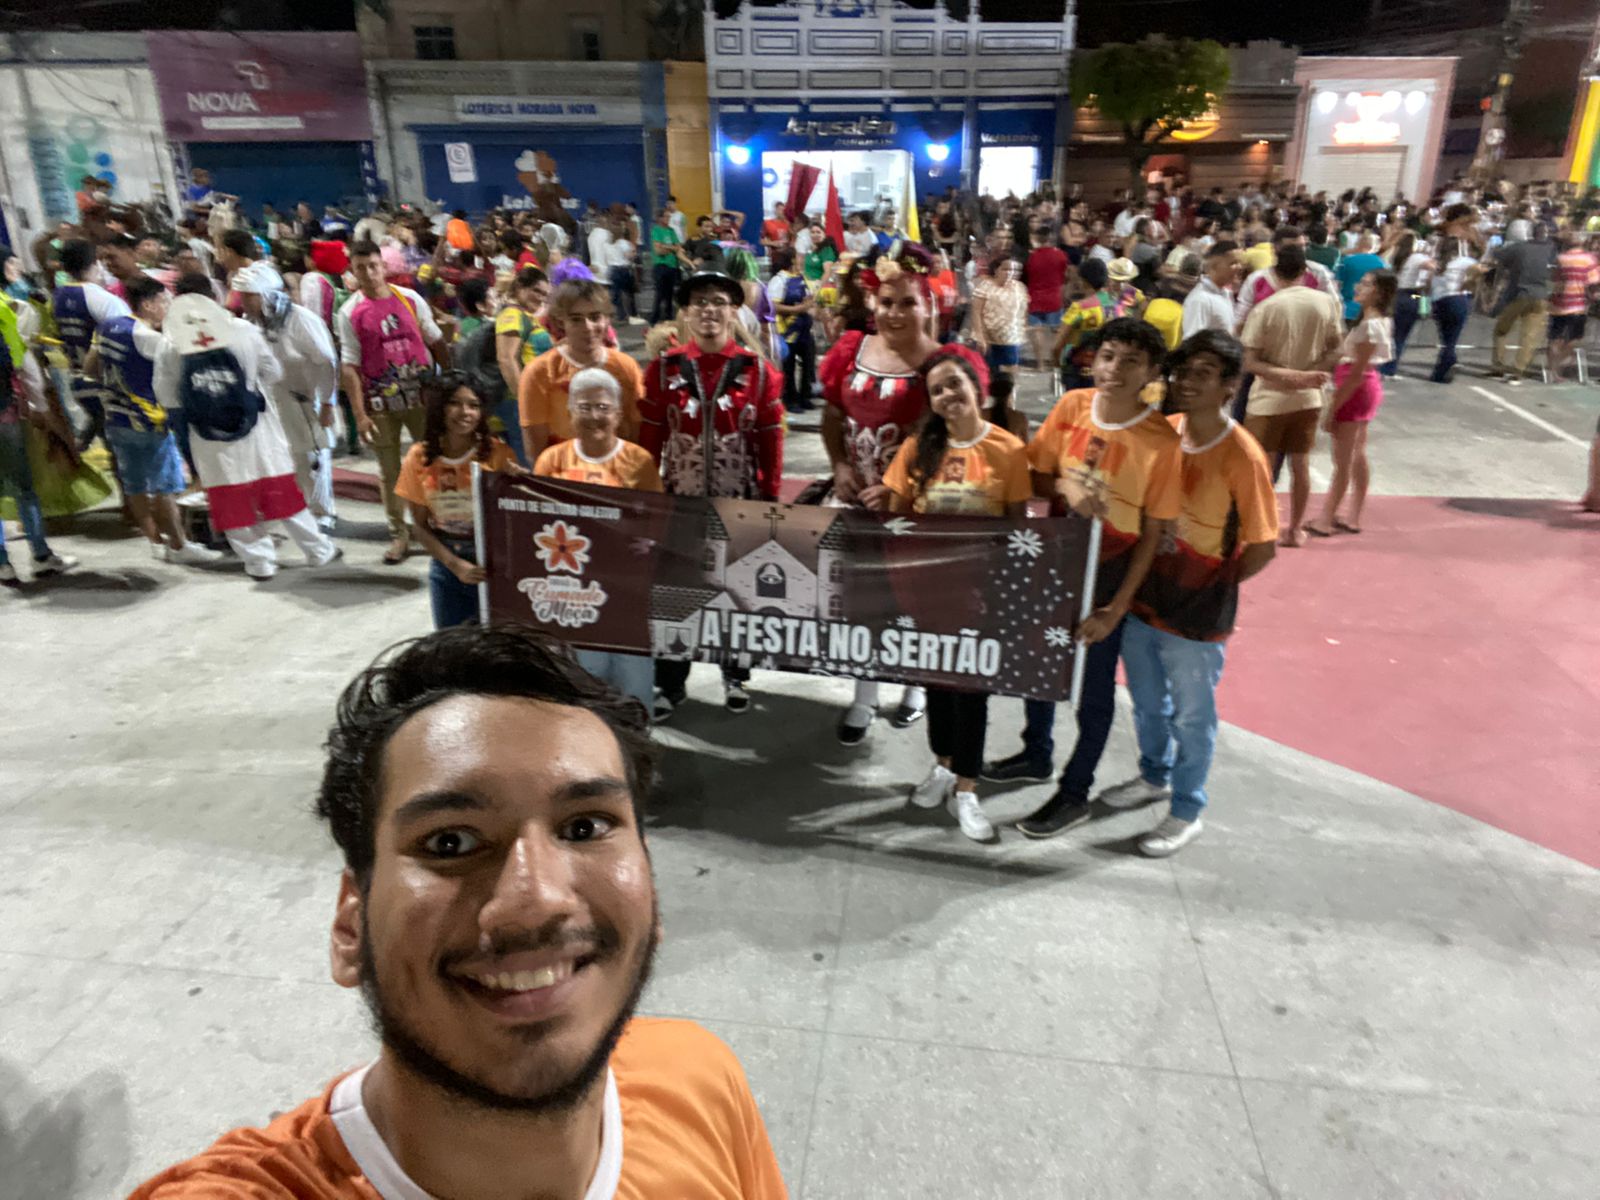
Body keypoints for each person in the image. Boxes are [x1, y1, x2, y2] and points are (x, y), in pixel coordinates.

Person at [129, 623, 787, 1199]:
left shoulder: (698, 1077)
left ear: (652, 892)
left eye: (585, 827)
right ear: (350, 928)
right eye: (450, 843)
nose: (536, 900)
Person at [985, 318, 1182, 840]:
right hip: (1057, 557)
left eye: (1132, 361)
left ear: (1152, 373)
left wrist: (1115, 609)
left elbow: (1153, 533)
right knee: (1039, 662)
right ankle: (1036, 753)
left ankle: (1075, 792)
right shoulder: (1073, 406)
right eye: (1109, 356)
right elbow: (1036, 474)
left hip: (1110, 571)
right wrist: (1067, 490)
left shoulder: (1160, 440)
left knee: (1093, 691)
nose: (1116, 369)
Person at [1105, 329, 1278, 857]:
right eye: (1182, 371)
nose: (1186, 382)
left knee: (1192, 715)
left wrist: (1214, 581)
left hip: (1198, 613)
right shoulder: (1165, 432)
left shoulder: (1242, 455)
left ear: (1230, 386)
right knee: (1145, 702)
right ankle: (1153, 775)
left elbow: (1263, 545)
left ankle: (1186, 810)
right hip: (1143, 598)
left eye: (1203, 374)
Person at [885, 345, 1031, 843]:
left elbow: (1016, 528)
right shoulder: (917, 448)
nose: (948, 395)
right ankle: (943, 765)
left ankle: (967, 788)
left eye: (955, 383)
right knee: (936, 687)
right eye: (937, 390)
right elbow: (896, 518)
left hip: (979, 598)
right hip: (926, 595)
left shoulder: (1008, 450)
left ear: (977, 386)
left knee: (971, 694)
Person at [639, 271, 785, 719]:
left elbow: (770, 440)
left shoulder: (759, 371)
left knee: (735, 590)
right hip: (678, 499)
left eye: (718, 301)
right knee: (674, 591)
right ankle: (670, 683)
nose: (709, 310)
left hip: (738, 500)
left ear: (733, 310)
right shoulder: (663, 369)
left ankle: (735, 675)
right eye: (699, 301)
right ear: (685, 312)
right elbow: (650, 438)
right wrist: (646, 495)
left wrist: (770, 498)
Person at [819, 246, 943, 742]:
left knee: (913, 599)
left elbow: (945, 441)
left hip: (913, 507)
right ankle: (864, 696)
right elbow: (832, 416)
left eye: (908, 303)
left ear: (927, 304)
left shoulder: (943, 363)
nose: (895, 313)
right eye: (887, 302)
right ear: (873, 302)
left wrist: (900, 490)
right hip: (855, 499)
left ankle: (914, 688)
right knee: (861, 599)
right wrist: (839, 464)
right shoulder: (851, 349)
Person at [156, 281, 342, 580]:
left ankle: (259, 562)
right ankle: (317, 550)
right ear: (215, 298)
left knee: (231, 499)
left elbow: (167, 396)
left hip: (208, 438)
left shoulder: (170, 343)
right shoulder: (243, 331)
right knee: (280, 491)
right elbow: (274, 372)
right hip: (257, 429)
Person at [534, 367, 663, 705]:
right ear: (570, 413)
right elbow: (535, 522)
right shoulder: (551, 461)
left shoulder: (639, 461)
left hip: (626, 591)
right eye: (585, 407)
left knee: (634, 683)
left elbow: (658, 518)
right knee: (584, 682)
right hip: (573, 593)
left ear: (618, 414)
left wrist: (647, 545)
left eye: (603, 408)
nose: (594, 416)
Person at [90, 276, 219, 566]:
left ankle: (155, 542)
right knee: (164, 486)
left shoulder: (109, 327)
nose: (168, 306)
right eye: (164, 301)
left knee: (135, 484)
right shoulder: (149, 339)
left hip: (116, 419)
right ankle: (179, 545)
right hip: (149, 421)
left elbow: (91, 366)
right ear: (148, 304)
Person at [336, 239, 449, 564]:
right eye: (361, 268)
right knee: (389, 472)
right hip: (380, 405)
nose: (369, 273)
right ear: (353, 272)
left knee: (431, 462)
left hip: (420, 397)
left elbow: (436, 341)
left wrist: (447, 385)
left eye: (373, 266)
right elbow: (350, 367)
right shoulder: (349, 313)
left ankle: (438, 525)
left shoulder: (410, 299)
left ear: (383, 266)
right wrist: (359, 414)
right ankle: (399, 534)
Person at [395, 373, 521, 629]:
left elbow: (515, 520)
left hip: (493, 566)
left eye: (473, 405)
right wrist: (454, 565)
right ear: (440, 407)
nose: (465, 412)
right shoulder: (419, 457)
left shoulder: (499, 454)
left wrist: (519, 484)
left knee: (497, 644)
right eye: (455, 403)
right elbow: (420, 527)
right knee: (450, 644)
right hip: (447, 566)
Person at [1238, 254, 1343, 547]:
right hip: (1309, 398)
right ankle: (1295, 529)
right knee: (1301, 465)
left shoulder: (1266, 308)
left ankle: (1258, 528)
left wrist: (1289, 376)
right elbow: (1337, 349)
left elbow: (1249, 361)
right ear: (1304, 272)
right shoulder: (1326, 303)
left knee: (1262, 466)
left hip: (1268, 400)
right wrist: (1308, 375)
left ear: (1274, 273)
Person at [233, 262, 341, 531]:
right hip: (275, 398)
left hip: (308, 398)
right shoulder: (251, 324)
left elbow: (327, 362)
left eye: (249, 296)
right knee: (287, 457)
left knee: (313, 458)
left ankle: (322, 513)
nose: (243, 302)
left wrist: (328, 402)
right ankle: (299, 508)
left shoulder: (301, 320)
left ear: (266, 295)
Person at [1307, 270, 1396, 538]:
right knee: (1356, 454)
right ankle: (1353, 514)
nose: (1358, 287)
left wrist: (1333, 408)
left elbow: (1356, 374)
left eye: (1366, 284)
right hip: (1363, 387)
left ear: (1379, 292)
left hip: (1356, 389)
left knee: (1343, 460)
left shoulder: (1370, 325)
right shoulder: (1377, 321)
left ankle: (1326, 518)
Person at [519, 279, 643, 462]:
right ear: (561, 322)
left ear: (607, 319)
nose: (588, 327)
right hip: (562, 472)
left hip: (618, 470)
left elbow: (636, 432)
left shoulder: (626, 367)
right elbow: (536, 451)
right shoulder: (539, 372)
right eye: (576, 319)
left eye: (595, 317)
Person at [0, 302, 79, 585]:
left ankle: (3, 565)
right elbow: (20, 365)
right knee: (24, 491)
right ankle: (41, 556)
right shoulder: (3, 309)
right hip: (5, 418)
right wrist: (39, 408)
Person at [52, 238, 131, 450]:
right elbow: (126, 341)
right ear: (95, 263)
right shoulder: (103, 300)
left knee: (113, 449)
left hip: (78, 381)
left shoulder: (58, 297)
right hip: (108, 386)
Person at [767, 246, 816, 414]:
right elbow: (774, 305)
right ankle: (790, 399)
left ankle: (805, 396)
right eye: (799, 256)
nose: (802, 259)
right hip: (788, 330)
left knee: (808, 363)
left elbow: (809, 298)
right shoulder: (779, 280)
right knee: (789, 367)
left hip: (805, 329)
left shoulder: (802, 277)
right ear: (793, 259)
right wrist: (796, 309)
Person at [1545, 230, 1599, 381]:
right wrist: (1592, 297)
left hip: (1558, 304)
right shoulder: (1589, 259)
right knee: (1574, 338)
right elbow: (1594, 282)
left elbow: (1555, 279)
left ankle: (1552, 371)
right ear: (1584, 242)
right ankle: (1560, 363)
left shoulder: (1561, 258)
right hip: (1578, 304)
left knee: (1555, 338)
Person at [1427, 236, 1478, 383]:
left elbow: (1428, 284)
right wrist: (1470, 282)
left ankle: (1447, 364)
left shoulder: (1436, 263)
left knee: (1446, 338)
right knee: (1452, 339)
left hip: (1439, 301)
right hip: (1457, 298)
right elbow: (1481, 269)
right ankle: (1445, 367)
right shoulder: (1464, 261)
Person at [1383, 232, 1433, 377]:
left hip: (1395, 295)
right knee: (1401, 335)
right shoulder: (1417, 257)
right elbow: (1431, 267)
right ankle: (1390, 367)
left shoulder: (1394, 257)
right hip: (1412, 294)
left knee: (1390, 333)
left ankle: (1383, 364)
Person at [970, 256, 1028, 380]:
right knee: (985, 372)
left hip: (1010, 338)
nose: (1010, 273)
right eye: (1005, 269)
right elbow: (976, 312)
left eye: (1013, 270)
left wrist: (1022, 331)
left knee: (1009, 371)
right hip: (988, 338)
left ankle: (1009, 391)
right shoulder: (985, 286)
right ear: (996, 269)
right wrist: (980, 336)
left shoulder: (1019, 288)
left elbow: (1022, 311)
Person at [1024, 226, 1069, 370]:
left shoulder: (1032, 257)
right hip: (1054, 298)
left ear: (1037, 238)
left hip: (1035, 298)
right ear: (1051, 238)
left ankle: (1040, 364)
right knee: (1056, 332)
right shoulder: (1061, 255)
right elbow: (1065, 277)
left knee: (1037, 331)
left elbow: (1027, 276)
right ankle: (1055, 361)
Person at [1182, 243, 1240, 337]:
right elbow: (1192, 340)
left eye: (1239, 263)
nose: (1239, 267)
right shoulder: (1200, 300)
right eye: (1233, 263)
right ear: (1214, 266)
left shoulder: (1226, 293)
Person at [1335, 232, 1385, 323]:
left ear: (1359, 243)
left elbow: (1337, 284)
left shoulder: (1347, 261)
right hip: (1367, 313)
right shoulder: (1383, 265)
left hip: (1344, 308)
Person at [648, 208, 684, 325]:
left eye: (669, 217)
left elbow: (678, 247)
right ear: (660, 218)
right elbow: (658, 251)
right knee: (659, 294)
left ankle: (668, 318)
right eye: (666, 217)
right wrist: (671, 248)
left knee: (669, 294)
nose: (668, 219)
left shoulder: (671, 231)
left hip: (672, 266)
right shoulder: (656, 231)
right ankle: (654, 319)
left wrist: (666, 246)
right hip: (661, 266)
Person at [606, 226, 638, 324]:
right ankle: (632, 314)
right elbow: (629, 256)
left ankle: (621, 315)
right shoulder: (623, 243)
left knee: (616, 295)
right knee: (629, 293)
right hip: (623, 269)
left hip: (612, 270)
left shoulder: (607, 244)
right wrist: (633, 250)